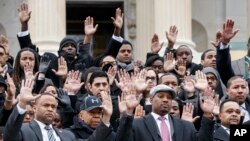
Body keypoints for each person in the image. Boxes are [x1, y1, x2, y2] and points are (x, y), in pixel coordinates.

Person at [4, 79, 113, 141]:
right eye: (46, 105)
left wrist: (106, 117)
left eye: (53, 106)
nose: (50, 109)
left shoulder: (67, 135)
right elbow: (9, 135)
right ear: (34, 108)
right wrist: (22, 103)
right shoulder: (24, 130)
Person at [118, 84, 215, 141]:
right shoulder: (137, 124)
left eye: (169, 98)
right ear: (151, 100)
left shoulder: (186, 126)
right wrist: (129, 111)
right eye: (161, 96)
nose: (165, 100)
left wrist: (207, 115)